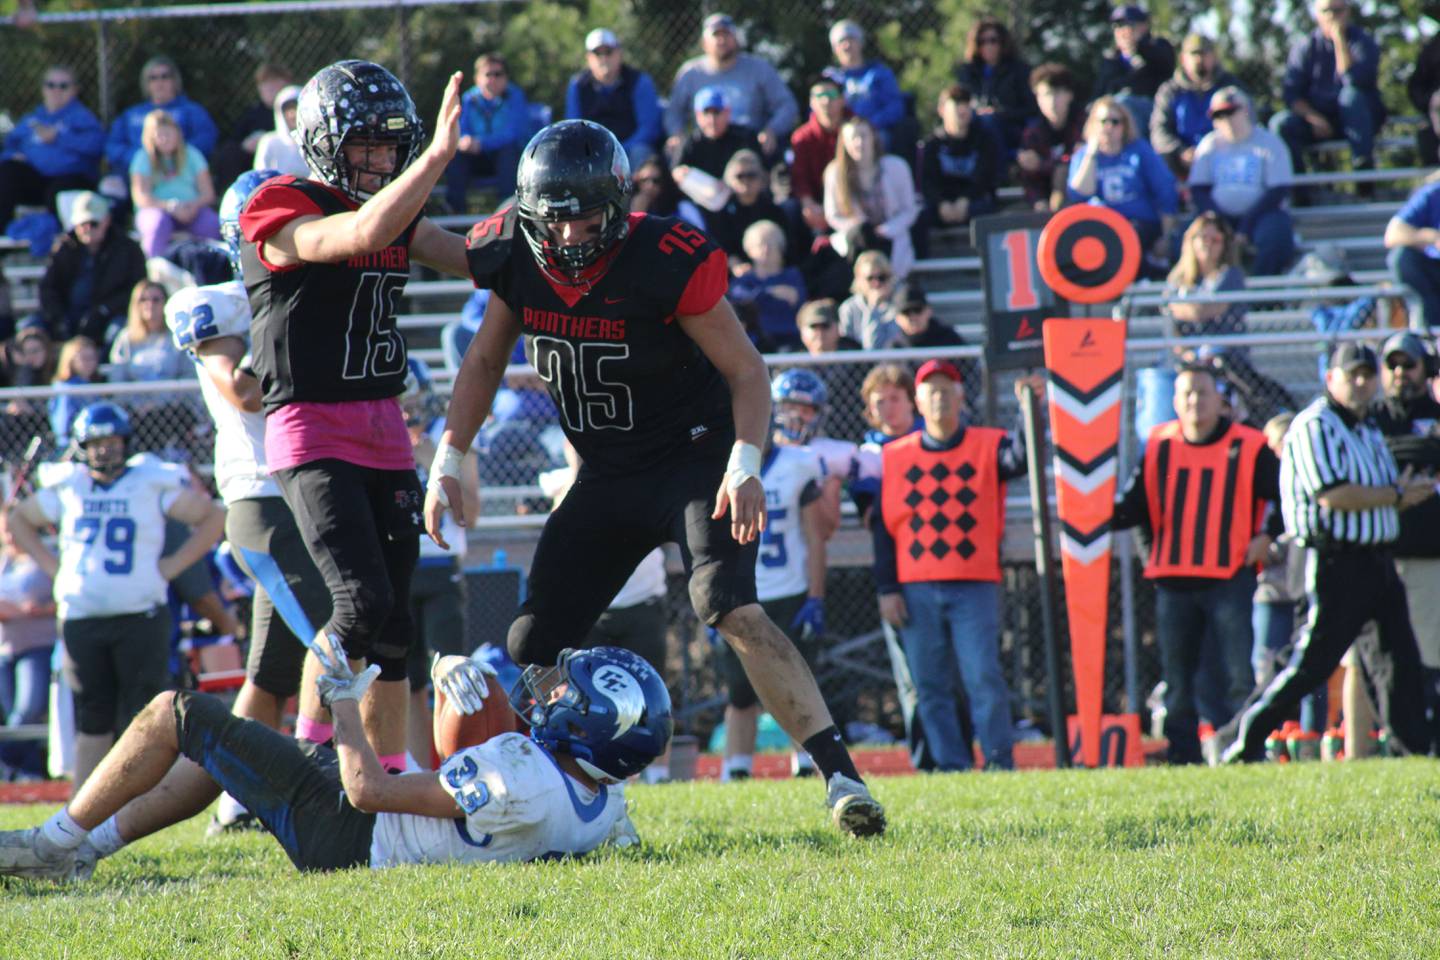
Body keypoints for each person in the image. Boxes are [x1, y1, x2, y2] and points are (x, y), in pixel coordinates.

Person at [434, 119, 885, 836]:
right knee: (531, 644)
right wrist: (448, 457)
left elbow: (746, 370)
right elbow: (483, 361)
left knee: (726, 602)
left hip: (693, 459)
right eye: (558, 221)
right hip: (608, 474)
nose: (573, 237)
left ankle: (841, 777)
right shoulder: (513, 256)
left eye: (587, 218)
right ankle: (577, 792)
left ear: (616, 208)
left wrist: (744, 463)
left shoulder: (663, 257)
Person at [237, 60, 473, 775]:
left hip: (383, 427)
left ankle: (393, 776)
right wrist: (434, 159)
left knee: (395, 627)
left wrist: (553, 227)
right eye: (363, 145)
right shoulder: (278, 203)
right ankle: (308, 765)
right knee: (359, 604)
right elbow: (356, 235)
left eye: (390, 146)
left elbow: (470, 259)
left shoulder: (395, 211)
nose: (378, 160)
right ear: (322, 141)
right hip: (312, 427)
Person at [0, 643, 670, 880]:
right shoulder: (604, 805)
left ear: (591, 724)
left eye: (566, 692)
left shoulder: (522, 770)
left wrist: (345, 704)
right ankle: (92, 848)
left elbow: (367, 790)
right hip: (374, 831)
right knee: (227, 750)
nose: (550, 691)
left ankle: (55, 843)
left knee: (176, 713)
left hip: (350, 833)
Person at [147, 169, 331, 833]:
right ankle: (319, 773)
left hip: (299, 489)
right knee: (335, 634)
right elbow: (244, 392)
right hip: (263, 495)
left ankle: (232, 800)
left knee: (273, 669)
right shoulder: (219, 301)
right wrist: (291, 313)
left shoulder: (286, 288)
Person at [1222, 344, 1435, 763]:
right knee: (1311, 664)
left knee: (1398, 661)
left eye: (1367, 375)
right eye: (1351, 374)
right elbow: (1334, 495)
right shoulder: (1315, 425)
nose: (1361, 383)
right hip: (1335, 563)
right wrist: (1395, 496)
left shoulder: (1368, 429)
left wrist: (1400, 494)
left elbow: (1380, 489)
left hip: (1378, 562)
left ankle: (1415, 751)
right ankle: (1240, 741)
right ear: (1330, 378)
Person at [5, 402, 225, 787]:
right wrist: (55, 568)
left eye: (112, 441)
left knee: (145, 712)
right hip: (82, 616)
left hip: (141, 614)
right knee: (92, 715)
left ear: (126, 442)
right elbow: (20, 519)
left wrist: (172, 567)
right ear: (82, 446)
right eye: (97, 442)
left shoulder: (149, 480)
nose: (105, 450)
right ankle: (83, 808)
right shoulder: (70, 484)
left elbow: (212, 516)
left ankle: (147, 797)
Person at [1110, 364, 1280, 764]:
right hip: (1174, 579)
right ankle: (1183, 753)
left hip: (1229, 575)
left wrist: (1267, 535)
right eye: (1186, 393)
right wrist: (1090, 506)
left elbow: (1285, 495)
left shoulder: (1248, 444)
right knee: (1178, 678)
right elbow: (1133, 506)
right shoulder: (1159, 445)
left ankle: (1244, 748)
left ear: (1219, 400)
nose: (1194, 401)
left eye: (1202, 393)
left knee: (1239, 673)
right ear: (1174, 402)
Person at [873, 360, 1039, 771]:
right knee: (929, 685)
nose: (939, 398)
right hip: (916, 586)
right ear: (918, 401)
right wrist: (886, 589)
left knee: (982, 677)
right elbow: (884, 529)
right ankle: (952, 766)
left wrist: (1029, 407)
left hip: (974, 583)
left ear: (961, 396)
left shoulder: (988, 444)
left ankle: (999, 761)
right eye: (931, 391)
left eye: (947, 389)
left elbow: (1022, 458)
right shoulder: (895, 456)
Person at [721, 369, 832, 781]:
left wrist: (816, 597)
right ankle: (736, 769)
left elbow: (816, 537)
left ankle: (806, 763)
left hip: (789, 590)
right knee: (739, 693)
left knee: (795, 683)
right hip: (740, 593)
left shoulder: (799, 464)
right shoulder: (723, 465)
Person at [401, 357, 481, 765]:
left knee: (449, 673)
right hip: (399, 568)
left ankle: (453, 763)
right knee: (408, 679)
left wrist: (434, 460)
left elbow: (473, 511)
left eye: (413, 399)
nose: (409, 410)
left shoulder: (449, 444)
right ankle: (416, 768)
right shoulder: (379, 440)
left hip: (440, 568)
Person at [1370, 331, 1440, 751]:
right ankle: (1365, 749)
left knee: (1431, 656)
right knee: (1374, 663)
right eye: (1392, 365)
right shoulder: (1370, 417)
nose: (1400, 373)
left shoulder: (1434, 412)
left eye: (1408, 364)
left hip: (1428, 556)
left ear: (1425, 369)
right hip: (1376, 556)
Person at [1188, 87, 1296, 277]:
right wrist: (1220, 222)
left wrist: (1246, 226)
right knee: (1190, 234)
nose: (1226, 119)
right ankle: (1201, 290)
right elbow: (1199, 190)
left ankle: (1263, 296)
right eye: (1219, 115)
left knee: (1276, 234)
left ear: (1245, 110)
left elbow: (1278, 191)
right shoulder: (1209, 145)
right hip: (1219, 216)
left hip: (1261, 214)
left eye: (1231, 112)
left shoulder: (1269, 142)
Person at [663, 13, 799, 164]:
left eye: (726, 34)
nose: (722, 40)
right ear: (704, 43)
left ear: (736, 40)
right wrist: (676, 134)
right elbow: (673, 112)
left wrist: (772, 130)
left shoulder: (759, 68)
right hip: (706, 146)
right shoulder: (690, 73)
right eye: (716, 35)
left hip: (749, 144)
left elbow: (787, 106)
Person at [1270, 0, 1385, 175]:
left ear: (1347, 12)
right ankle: (1299, 190)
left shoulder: (1363, 42)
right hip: (1318, 122)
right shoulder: (1305, 47)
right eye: (1326, 11)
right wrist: (1313, 117)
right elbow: (1291, 94)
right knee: (1281, 123)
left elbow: (1354, 80)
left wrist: (1339, 40)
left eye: (1337, 10)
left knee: (1350, 96)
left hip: (1357, 122)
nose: (1332, 16)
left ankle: (1364, 173)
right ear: (1317, 14)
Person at [1067, 97, 1179, 267]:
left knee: (1126, 237)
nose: (1109, 127)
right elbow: (1079, 194)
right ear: (1093, 124)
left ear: (1125, 125)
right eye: (1103, 121)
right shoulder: (1084, 156)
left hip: (1138, 225)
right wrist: (1091, 153)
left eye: (1115, 121)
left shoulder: (1139, 151)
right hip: (1101, 227)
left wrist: (1166, 235)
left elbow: (1165, 191)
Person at [0, 65, 103, 232]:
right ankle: (4, 238)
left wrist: (59, 138)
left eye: (63, 86)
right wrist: (13, 155)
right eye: (50, 85)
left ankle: (64, 245)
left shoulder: (82, 117)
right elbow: (10, 146)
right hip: (36, 180)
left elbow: (96, 145)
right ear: (43, 89)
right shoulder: (31, 119)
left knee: (58, 191)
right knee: (7, 172)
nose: (56, 90)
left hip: (70, 179)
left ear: (75, 90)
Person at [36, 191, 145, 344]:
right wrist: (58, 317)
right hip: (69, 314)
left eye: (93, 223)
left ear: (107, 220)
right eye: (82, 224)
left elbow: (136, 288)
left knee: (118, 332)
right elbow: (47, 288)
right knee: (31, 328)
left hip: (110, 316)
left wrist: (103, 310)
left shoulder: (127, 249)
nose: (87, 228)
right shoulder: (63, 248)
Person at [823, 116, 919, 279]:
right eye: (853, 138)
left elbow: (909, 209)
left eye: (863, 136)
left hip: (890, 235)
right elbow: (832, 215)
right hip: (856, 239)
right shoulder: (834, 172)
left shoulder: (897, 167)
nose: (859, 143)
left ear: (873, 138)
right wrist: (857, 227)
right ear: (844, 143)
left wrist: (887, 229)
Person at [0, 510, 55, 781]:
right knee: (14, 717)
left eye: (14, 529)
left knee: (27, 711)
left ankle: (5, 761)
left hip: (37, 645)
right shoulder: (3, 562)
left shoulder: (45, 560)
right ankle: (26, 773)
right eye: (5, 529)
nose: (10, 535)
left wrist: (40, 610)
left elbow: (67, 597)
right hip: (5, 647)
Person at [104, 56, 218, 184]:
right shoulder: (131, 114)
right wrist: (139, 158)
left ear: (175, 81)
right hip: (135, 172)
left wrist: (173, 155)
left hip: (180, 173)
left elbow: (206, 139)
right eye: (153, 78)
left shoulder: (191, 111)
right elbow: (113, 146)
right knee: (110, 186)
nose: (159, 82)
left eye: (165, 76)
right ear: (146, 84)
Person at [564, 28, 662, 168]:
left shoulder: (639, 81)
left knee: (642, 153)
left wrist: (618, 151)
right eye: (597, 53)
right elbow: (574, 129)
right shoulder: (578, 86)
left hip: (630, 150)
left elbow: (649, 129)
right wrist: (595, 152)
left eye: (608, 52)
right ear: (588, 58)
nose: (604, 58)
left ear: (619, 53)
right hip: (592, 153)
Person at [129, 109, 220, 257]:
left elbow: (208, 193)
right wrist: (169, 207)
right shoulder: (142, 158)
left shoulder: (193, 154)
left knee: (211, 223)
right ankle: (152, 268)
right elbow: (141, 197)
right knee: (157, 223)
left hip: (191, 210)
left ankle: (212, 268)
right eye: (159, 135)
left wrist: (193, 206)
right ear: (150, 138)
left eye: (168, 134)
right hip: (157, 210)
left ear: (177, 133)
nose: (165, 139)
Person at [447, 53, 529, 211]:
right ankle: (455, 215)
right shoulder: (469, 99)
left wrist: (483, 144)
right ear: (477, 78)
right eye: (487, 74)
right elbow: (461, 131)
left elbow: (514, 133)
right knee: (456, 157)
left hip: (505, 160)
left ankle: (508, 213)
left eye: (498, 74)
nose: (493, 79)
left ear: (506, 78)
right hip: (477, 159)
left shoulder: (515, 96)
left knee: (509, 152)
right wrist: (465, 141)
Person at [1150, 34, 1240, 179]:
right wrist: (1181, 151)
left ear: (1214, 57)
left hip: (1223, 156)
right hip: (1181, 161)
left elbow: (1245, 125)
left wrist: (1213, 151)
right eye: (1194, 54)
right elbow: (1159, 131)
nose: (1199, 60)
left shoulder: (1230, 87)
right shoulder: (1169, 91)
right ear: (1183, 58)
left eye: (1205, 53)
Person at [919, 84, 1002, 235]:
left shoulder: (984, 141)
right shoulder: (932, 145)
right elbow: (928, 182)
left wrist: (965, 200)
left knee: (987, 212)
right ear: (942, 110)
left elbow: (984, 178)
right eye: (956, 104)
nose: (961, 110)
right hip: (942, 205)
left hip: (973, 202)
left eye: (965, 105)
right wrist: (941, 204)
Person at [953, 17, 1036, 152]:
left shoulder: (1019, 71)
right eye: (982, 42)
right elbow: (961, 101)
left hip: (1009, 127)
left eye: (993, 41)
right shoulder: (968, 72)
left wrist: (1000, 113)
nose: (988, 46)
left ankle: (999, 170)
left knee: (988, 121)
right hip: (974, 124)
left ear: (1002, 43)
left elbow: (1031, 109)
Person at [1164, 212, 1248, 343]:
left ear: (1225, 244)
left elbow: (1206, 311)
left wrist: (1176, 307)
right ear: (1192, 240)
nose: (1208, 244)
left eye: (1215, 240)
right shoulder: (1179, 276)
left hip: (1223, 353)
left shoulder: (1231, 274)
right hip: (1185, 354)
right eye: (1203, 238)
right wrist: (1186, 354)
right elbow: (1167, 313)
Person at [1095, 5, 1176, 138]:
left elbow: (1165, 66)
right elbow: (1099, 93)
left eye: (1128, 25)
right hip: (1116, 116)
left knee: (1123, 102)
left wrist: (1138, 46)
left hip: (1154, 112)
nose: (1122, 31)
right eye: (1117, 26)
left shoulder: (1158, 46)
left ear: (1143, 26)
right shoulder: (1111, 59)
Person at [822, 19, 904, 149]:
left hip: (875, 132)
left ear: (860, 43)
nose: (847, 45)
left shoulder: (879, 73)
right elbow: (817, 109)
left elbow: (895, 106)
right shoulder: (830, 78)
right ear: (835, 49)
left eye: (851, 39)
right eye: (841, 42)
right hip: (839, 134)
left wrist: (869, 125)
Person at [728, 220, 805, 351]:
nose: (766, 250)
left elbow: (798, 300)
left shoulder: (792, 276)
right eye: (760, 245)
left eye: (771, 244)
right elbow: (739, 300)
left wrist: (760, 296)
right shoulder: (744, 280)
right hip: (755, 342)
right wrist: (770, 292)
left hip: (791, 340)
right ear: (749, 250)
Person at [1016, 63, 1083, 211]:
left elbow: (1074, 164)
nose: (1052, 101)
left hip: (1078, 198)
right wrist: (1038, 201)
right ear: (1037, 98)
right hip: (1043, 202)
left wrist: (1042, 164)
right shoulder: (1033, 133)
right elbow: (1028, 178)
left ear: (1069, 94)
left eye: (1057, 93)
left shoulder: (1084, 125)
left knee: (1062, 172)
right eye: (1046, 94)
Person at [789, 76, 848, 237]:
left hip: (852, 201)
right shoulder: (802, 137)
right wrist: (808, 204)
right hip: (818, 203)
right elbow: (799, 178)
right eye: (819, 97)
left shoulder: (855, 129)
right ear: (811, 103)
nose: (825, 102)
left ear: (842, 100)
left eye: (831, 96)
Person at [1383, 173, 1440, 333]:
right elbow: (1393, 234)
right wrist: (1430, 236)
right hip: (1434, 274)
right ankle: (1428, 337)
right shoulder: (1433, 193)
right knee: (1402, 257)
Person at [674, 87, 764, 183]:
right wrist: (681, 174)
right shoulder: (691, 142)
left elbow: (762, 172)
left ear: (727, 112)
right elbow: (676, 171)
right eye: (706, 113)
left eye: (717, 112)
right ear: (698, 115)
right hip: (701, 195)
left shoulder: (745, 137)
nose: (712, 120)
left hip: (740, 194)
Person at [48, 335, 104, 447]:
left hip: (92, 443)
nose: (89, 363)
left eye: (92, 358)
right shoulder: (65, 387)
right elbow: (63, 425)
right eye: (84, 358)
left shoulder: (93, 385)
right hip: (70, 446)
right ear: (70, 360)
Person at [837, 249, 899, 349]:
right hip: (859, 363)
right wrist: (873, 307)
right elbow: (869, 347)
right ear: (858, 279)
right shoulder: (849, 308)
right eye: (870, 278)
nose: (876, 283)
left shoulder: (900, 303)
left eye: (882, 277)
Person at [629, 154, 704, 228]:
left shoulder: (682, 207)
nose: (649, 186)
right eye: (644, 180)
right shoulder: (627, 204)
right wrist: (636, 213)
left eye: (656, 181)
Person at [251, 84, 308, 179]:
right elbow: (261, 178)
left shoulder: (315, 140)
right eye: (287, 109)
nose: (292, 114)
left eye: (295, 107)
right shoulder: (269, 142)